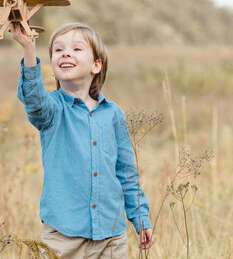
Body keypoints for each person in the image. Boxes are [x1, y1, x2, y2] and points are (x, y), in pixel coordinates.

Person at [11, 22, 154, 259]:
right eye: (58, 50)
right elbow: (33, 99)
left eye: (77, 49)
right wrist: (28, 48)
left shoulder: (113, 114)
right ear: (53, 65)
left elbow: (127, 172)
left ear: (96, 65)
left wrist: (140, 217)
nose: (66, 53)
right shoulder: (52, 109)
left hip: (111, 235)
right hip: (63, 235)